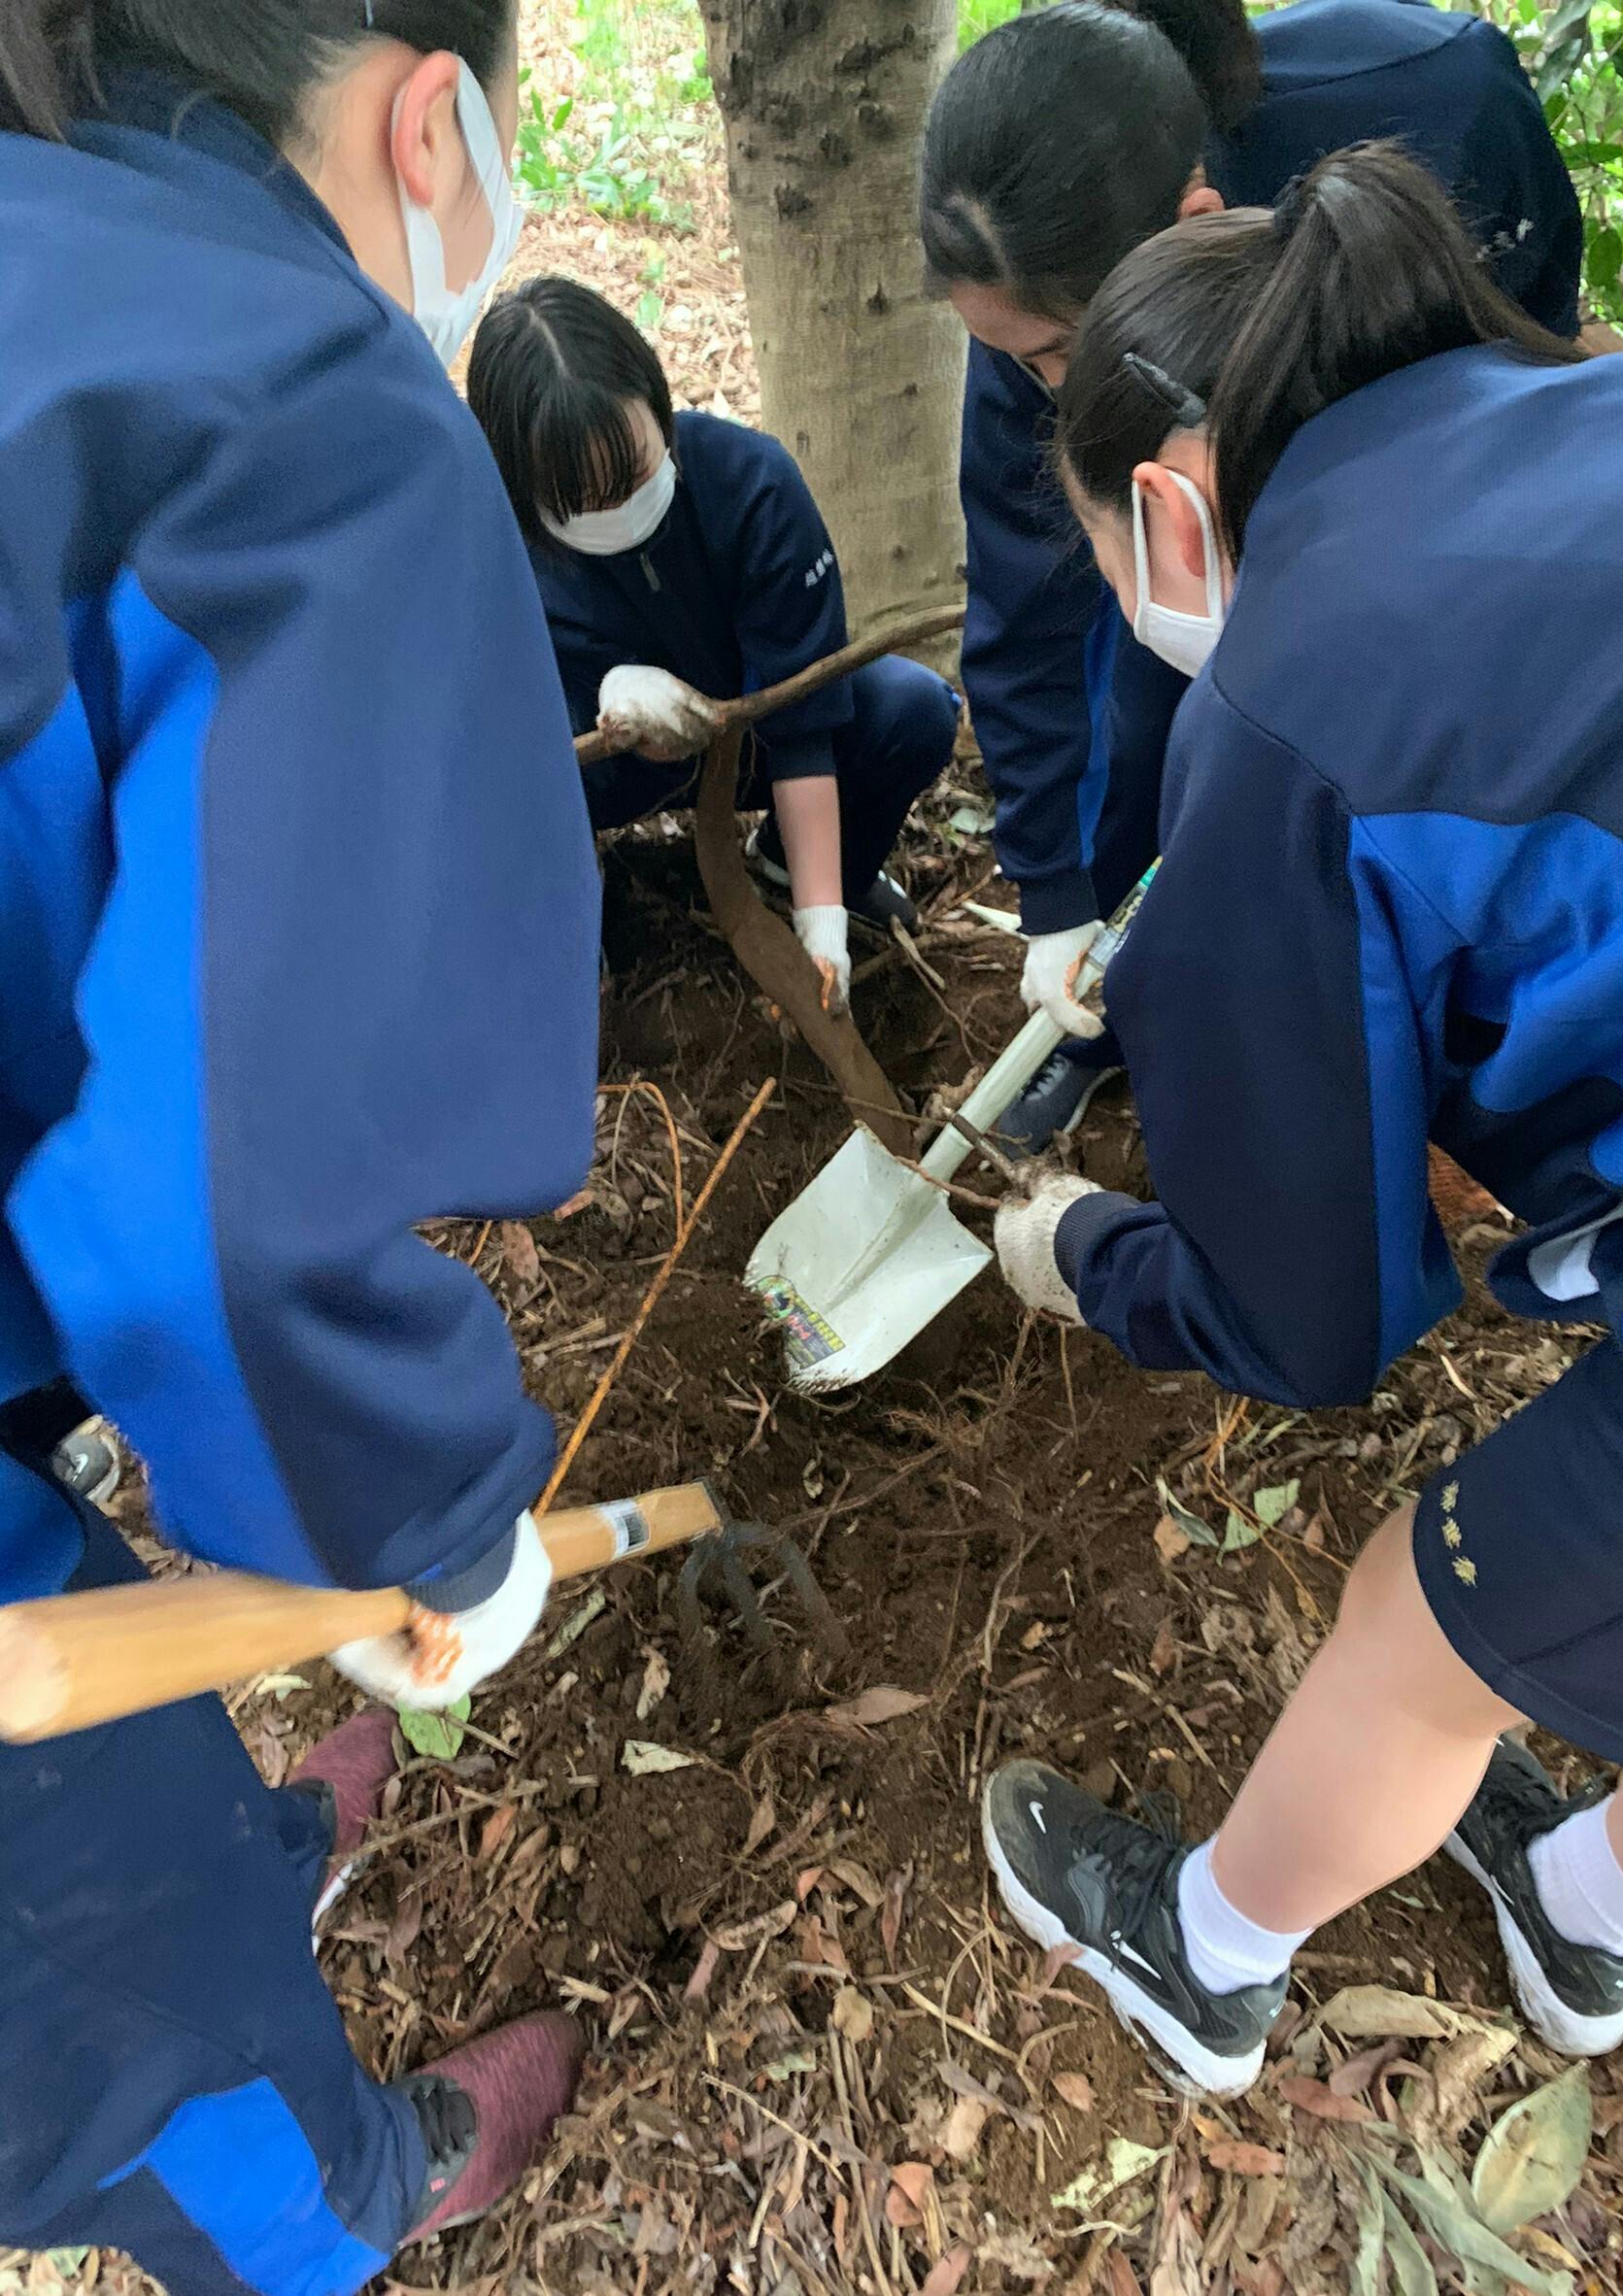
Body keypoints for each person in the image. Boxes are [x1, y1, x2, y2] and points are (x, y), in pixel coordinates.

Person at [982, 141, 1623, 2101]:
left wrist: (1084, 1250)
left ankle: (1200, 1955)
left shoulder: (1284, 708)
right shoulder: (1612, 401)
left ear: (1166, 510)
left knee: (1420, 1611)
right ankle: (1581, 1906)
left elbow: (1310, 1322)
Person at [1, 2, 606, 2284]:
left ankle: (231, 1845)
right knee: (102, 2003)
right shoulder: (288, 399)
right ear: (435, 118)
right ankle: (335, 2197)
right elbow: (216, 1232)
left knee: (114, 1742)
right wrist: (424, 1533)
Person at [920, 0, 1583, 1152]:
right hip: (1223, 505)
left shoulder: (1444, 103)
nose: (1042, 385)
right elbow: (1028, 615)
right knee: (1156, 710)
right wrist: (1055, 894)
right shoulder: (1031, 319)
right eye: (1017, 360)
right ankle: (1112, 1020)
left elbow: (1523, 381)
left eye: (1061, 354)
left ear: (1195, 223)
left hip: (1424, 505)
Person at [468, 278, 962, 1014]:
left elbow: (803, 728)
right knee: (493, 786)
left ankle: (787, 865)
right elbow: (479, 730)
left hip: (748, 736)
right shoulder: (494, 544)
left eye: (635, 473)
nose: (620, 509)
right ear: (521, 481)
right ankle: (569, 921)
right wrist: (604, 703)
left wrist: (820, 921)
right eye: (585, 500)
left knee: (910, 709)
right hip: (598, 773)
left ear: (656, 402)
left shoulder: (750, 485)